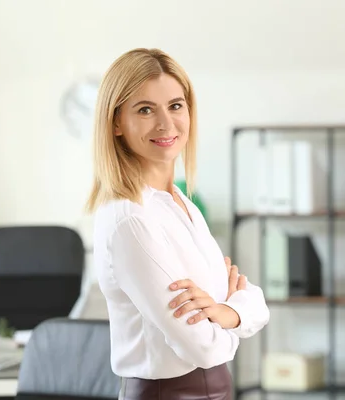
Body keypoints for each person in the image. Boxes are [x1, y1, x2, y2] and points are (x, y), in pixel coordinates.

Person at [85, 48, 270, 400]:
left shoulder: (182, 204)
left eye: (175, 105)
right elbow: (202, 348)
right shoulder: (130, 220)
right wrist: (232, 316)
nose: (166, 124)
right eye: (144, 109)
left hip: (215, 389)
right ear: (116, 122)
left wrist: (225, 310)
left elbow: (255, 301)